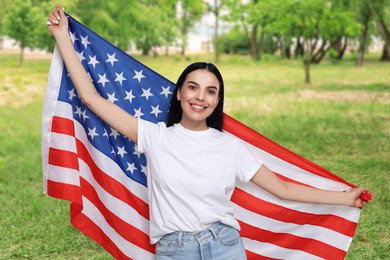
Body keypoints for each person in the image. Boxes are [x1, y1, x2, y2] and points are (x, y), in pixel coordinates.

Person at [47, 4, 371, 260]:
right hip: (175, 251)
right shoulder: (156, 136)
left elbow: (283, 189)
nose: (201, 97)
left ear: (217, 101)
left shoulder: (230, 146)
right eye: (193, 87)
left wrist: (343, 198)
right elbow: (91, 98)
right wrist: (63, 36)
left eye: (211, 91)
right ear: (179, 93)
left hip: (226, 246)